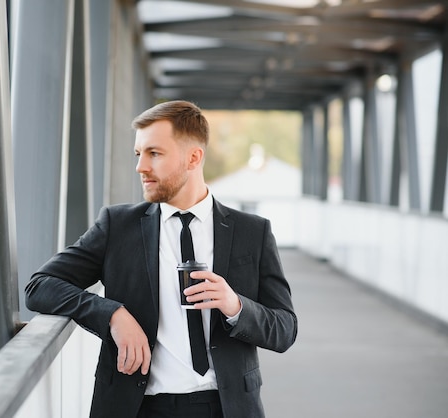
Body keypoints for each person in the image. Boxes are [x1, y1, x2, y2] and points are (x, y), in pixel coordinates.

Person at [25, 100, 297, 418]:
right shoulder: (117, 226)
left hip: (225, 407)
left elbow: (285, 329)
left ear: (193, 157)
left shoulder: (253, 231)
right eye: (139, 154)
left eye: (154, 153)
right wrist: (113, 315)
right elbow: (39, 286)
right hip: (139, 407)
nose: (141, 166)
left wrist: (234, 305)